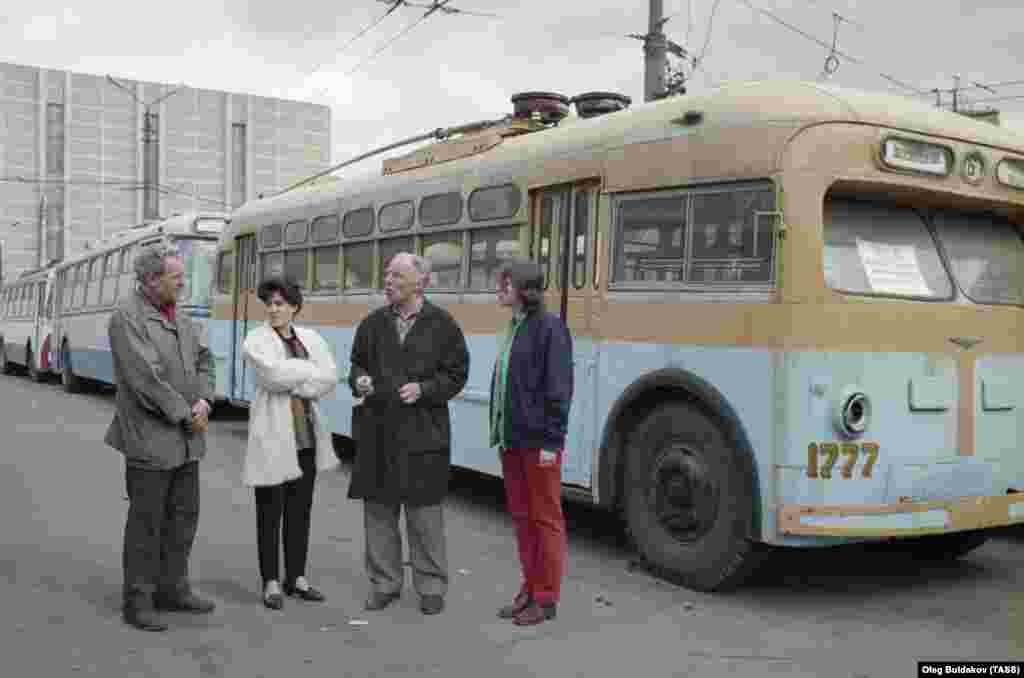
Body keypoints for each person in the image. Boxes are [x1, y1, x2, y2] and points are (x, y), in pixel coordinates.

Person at [347, 252, 469, 616]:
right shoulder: (372, 324)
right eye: (387, 274)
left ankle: (431, 587)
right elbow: (356, 364)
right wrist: (360, 380)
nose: (388, 280)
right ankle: (385, 584)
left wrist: (425, 390)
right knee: (379, 515)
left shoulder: (443, 325)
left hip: (422, 435)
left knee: (424, 516)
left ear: (421, 282)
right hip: (378, 432)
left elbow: (456, 374)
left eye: (397, 275)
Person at [105, 243, 217, 632]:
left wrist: (204, 399)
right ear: (151, 281)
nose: (184, 284)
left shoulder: (181, 317)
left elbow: (205, 359)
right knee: (146, 522)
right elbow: (144, 380)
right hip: (150, 439)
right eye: (177, 277)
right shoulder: (127, 317)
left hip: (187, 439)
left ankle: (172, 588)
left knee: (183, 517)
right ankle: (138, 599)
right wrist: (188, 415)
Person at [242, 276, 340, 610]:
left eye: (280, 303)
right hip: (272, 436)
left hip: (306, 436)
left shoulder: (310, 337)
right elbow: (270, 376)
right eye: (269, 303)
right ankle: (270, 580)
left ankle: (296, 577)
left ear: (294, 306)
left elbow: (328, 377)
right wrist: (305, 371)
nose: (273, 309)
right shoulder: (255, 339)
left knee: (301, 511)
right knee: (270, 511)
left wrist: (295, 377)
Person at [490, 257, 574, 626]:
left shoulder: (549, 329)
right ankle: (529, 588)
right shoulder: (516, 325)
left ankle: (546, 597)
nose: (499, 290)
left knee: (545, 519)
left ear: (524, 289)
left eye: (505, 284)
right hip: (512, 440)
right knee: (524, 519)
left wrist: (551, 442)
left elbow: (559, 391)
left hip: (538, 443)